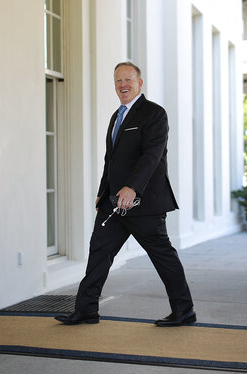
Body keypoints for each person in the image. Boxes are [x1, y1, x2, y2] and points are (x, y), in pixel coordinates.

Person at [55, 62, 195, 327]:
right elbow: (111, 160)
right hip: (113, 204)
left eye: (128, 80)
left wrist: (133, 187)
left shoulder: (155, 114)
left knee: (163, 257)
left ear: (140, 83)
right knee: (98, 253)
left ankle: (184, 311)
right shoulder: (116, 115)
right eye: (118, 80)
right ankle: (86, 311)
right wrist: (102, 191)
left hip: (144, 204)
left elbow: (151, 156)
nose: (123, 85)